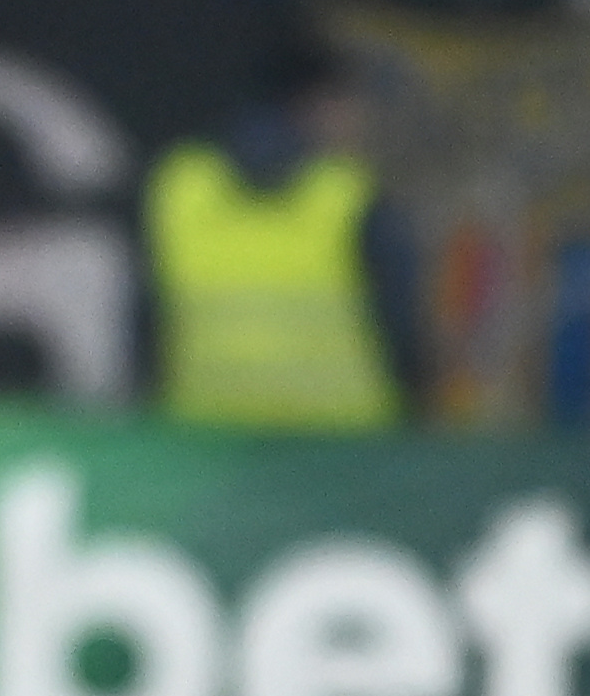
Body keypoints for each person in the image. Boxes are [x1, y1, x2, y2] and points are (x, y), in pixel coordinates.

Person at [145, 34, 421, 430]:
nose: (359, 121)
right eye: (351, 104)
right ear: (315, 106)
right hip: (345, 450)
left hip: (205, 442)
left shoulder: (180, 186)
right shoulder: (353, 199)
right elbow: (402, 331)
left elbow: (144, 317)